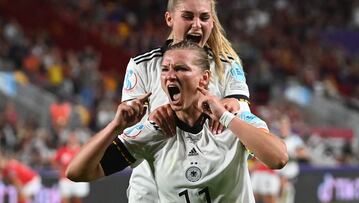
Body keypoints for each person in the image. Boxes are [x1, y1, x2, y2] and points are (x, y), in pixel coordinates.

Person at [66, 41, 288, 202]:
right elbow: (78, 172)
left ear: (204, 78)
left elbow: (278, 158)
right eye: (165, 69)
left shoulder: (233, 120)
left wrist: (225, 117)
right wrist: (115, 127)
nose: (170, 75)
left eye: (181, 69)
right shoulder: (154, 130)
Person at [121, 0, 252, 201]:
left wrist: (228, 111)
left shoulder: (226, 66)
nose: (197, 24)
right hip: (152, 189)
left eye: (204, 17)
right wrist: (147, 120)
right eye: (188, 16)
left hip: (212, 186)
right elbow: (129, 119)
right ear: (169, 18)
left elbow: (240, 114)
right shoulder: (142, 66)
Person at [53, 132, 90, 203]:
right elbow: (54, 161)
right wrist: (59, 169)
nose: (72, 139)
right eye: (71, 138)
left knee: (77, 199)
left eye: (74, 138)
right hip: (65, 178)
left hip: (78, 178)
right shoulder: (62, 150)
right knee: (64, 199)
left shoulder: (81, 150)